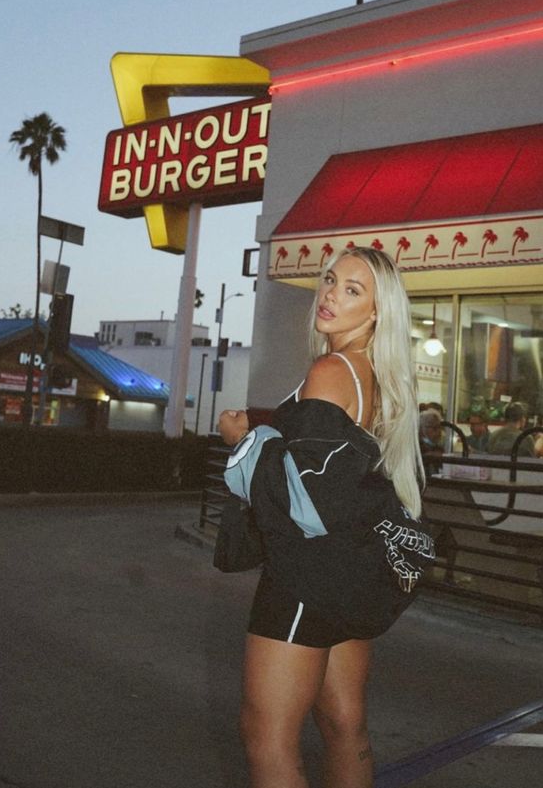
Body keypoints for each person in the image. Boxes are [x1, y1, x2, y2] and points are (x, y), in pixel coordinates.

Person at [218, 246, 434, 788]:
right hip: (352, 574)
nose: (332, 295)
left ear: (379, 311)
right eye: (332, 281)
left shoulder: (332, 370)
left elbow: (304, 499)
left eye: (353, 290)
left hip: (305, 578)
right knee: (343, 722)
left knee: (267, 735)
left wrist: (243, 442)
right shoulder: (379, 379)